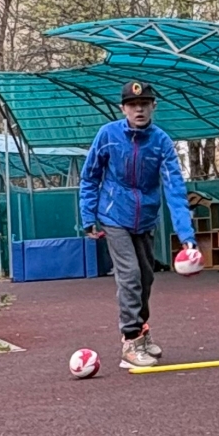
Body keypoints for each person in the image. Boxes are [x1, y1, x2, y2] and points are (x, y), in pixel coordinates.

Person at [80, 81, 197, 368]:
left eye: (144, 104)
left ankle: (142, 333)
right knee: (130, 275)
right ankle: (130, 341)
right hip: (113, 215)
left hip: (145, 218)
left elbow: (175, 188)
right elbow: (90, 177)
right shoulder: (108, 135)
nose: (139, 109)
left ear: (153, 106)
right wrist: (88, 216)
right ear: (123, 108)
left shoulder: (161, 142)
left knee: (146, 277)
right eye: (132, 105)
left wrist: (186, 235)